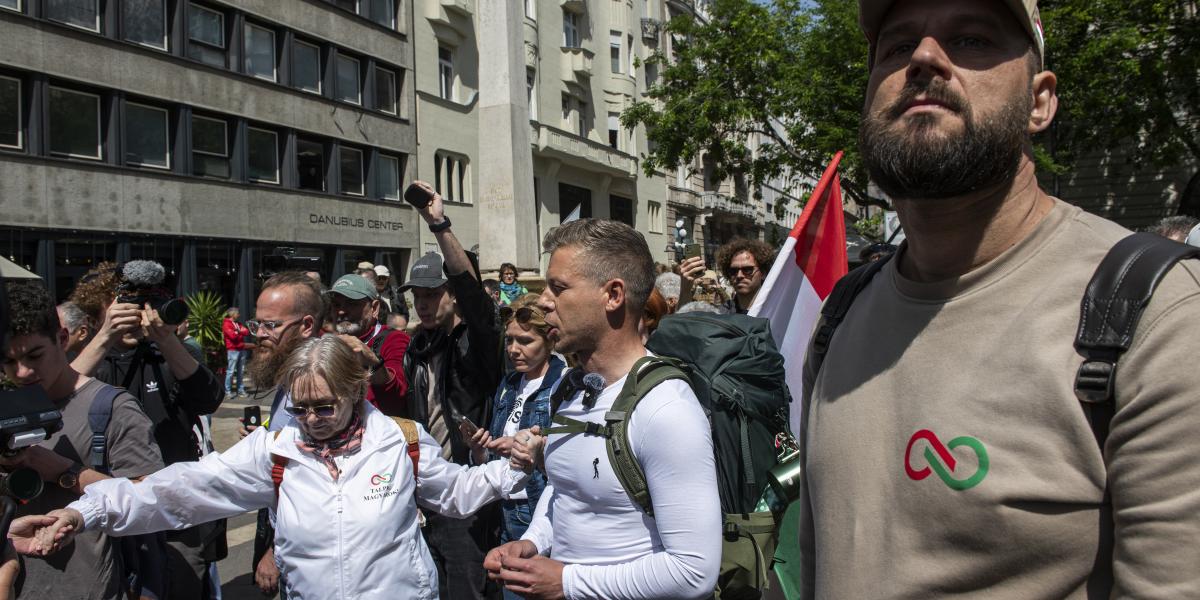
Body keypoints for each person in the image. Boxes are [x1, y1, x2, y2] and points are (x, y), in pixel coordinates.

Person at [794, 0, 1200, 598]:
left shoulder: (1156, 316)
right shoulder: (839, 316)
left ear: (1040, 102)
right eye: (897, 47)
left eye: (972, 40)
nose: (924, 58)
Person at [17, 335, 541, 600]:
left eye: (325, 407)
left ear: (356, 392)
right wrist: (83, 513)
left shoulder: (401, 441)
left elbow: (459, 493)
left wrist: (514, 465)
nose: (310, 420)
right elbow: (175, 490)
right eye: (301, 407)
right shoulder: (274, 452)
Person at [484, 219, 721, 600]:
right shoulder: (572, 389)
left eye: (559, 288)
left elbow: (694, 572)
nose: (543, 301)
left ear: (613, 295)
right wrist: (533, 542)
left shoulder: (665, 409)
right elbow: (566, 491)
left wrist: (567, 582)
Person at [65, 261, 225, 599]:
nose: (136, 314)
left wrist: (166, 341)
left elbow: (209, 399)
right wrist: (105, 337)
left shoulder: (169, 354)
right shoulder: (89, 358)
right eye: (126, 304)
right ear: (100, 311)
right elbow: (57, 402)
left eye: (143, 305)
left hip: (172, 516)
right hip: (104, 514)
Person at [1, 280, 165, 600]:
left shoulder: (112, 408)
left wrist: (66, 472)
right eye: (8, 361)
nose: (21, 372)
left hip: (93, 588)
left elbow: (154, 500)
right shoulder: (5, 407)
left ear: (62, 339)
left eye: (34, 355)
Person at [402, 179, 504, 600]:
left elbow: (475, 297)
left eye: (432, 294)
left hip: (466, 492)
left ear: (452, 296)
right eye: (417, 296)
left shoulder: (474, 341)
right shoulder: (416, 348)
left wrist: (439, 225)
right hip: (424, 493)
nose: (423, 304)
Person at [468, 294, 565, 600]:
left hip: (541, 510)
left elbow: (569, 454)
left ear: (549, 340)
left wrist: (531, 447)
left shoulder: (563, 385)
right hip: (504, 507)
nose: (513, 349)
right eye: (509, 340)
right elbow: (493, 454)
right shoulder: (510, 384)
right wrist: (481, 449)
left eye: (525, 340)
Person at [237, 270, 328, 596]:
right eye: (257, 324)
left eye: (271, 325)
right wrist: (263, 435)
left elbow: (318, 484)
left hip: (309, 554)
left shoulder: (317, 384)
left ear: (306, 325)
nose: (260, 334)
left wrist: (276, 549)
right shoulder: (290, 375)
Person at [328, 273, 411, 416]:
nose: (341, 311)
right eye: (336, 305)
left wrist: (371, 362)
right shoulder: (328, 343)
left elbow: (397, 398)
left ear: (375, 308)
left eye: (351, 303)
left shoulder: (395, 339)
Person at [714, 239, 774, 314]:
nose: (739, 275)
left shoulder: (775, 312)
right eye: (733, 271)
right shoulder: (721, 314)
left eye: (747, 269)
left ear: (763, 272)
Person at [374, 264, 411, 330]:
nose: (381, 281)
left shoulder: (397, 293)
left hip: (397, 330)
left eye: (384, 278)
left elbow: (405, 314)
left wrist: (400, 327)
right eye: (379, 278)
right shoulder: (371, 295)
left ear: (388, 279)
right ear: (374, 278)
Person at [223, 307, 249, 398]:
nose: (239, 315)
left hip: (241, 349)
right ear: (233, 314)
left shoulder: (238, 323)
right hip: (232, 350)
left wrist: (238, 331)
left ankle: (240, 390)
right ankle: (228, 391)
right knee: (230, 372)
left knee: (240, 372)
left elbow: (246, 332)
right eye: (237, 313)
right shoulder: (226, 324)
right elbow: (232, 336)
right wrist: (239, 332)